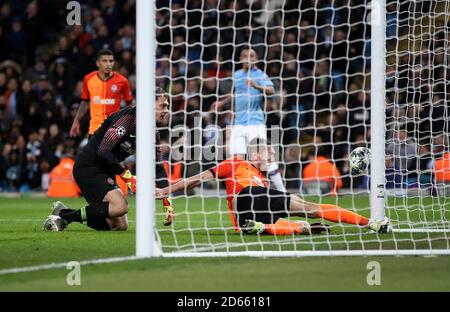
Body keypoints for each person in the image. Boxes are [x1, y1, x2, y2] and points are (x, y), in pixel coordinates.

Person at [155, 138, 390, 235]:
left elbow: (276, 214)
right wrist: (165, 190)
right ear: (256, 152)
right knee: (307, 206)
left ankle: (261, 228)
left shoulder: (261, 178)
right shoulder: (236, 162)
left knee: (303, 215)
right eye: (269, 151)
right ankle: (371, 223)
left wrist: (300, 228)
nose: (272, 155)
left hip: (248, 215)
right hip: (244, 199)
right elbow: (197, 178)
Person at [43, 88, 175, 231]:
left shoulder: (152, 133)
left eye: (167, 106)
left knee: (119, 226)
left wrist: (166, 199)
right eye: (163, 106)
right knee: (120, 207)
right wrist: (127, 176)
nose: (166, 110)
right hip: (89, 166)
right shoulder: (128, 118)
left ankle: (64, 213)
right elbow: (104, 150)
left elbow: (158, 167)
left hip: (107, 170)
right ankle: (65, 218)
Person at [210, 47, 286, 192]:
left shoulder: (260, 74)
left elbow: (271, 90)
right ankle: (242, 191)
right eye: (245, 56)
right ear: (240, 58)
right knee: (235, 159)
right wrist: (221, 102)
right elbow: (235, 93)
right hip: (238, 123)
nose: (248, 58)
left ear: (256, 59)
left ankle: (282, 191)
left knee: (264, 158)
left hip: (255, 123)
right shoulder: (237, 74)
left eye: (251, 56)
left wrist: (256, 85)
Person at [69, 48, 134, 196]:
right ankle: (105, 197)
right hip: (95, 132)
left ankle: (119, 197)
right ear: (97, 62)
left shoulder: (122, 81)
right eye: (105, 61)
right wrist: (76, 122)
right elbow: (85, 102)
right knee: (97, 166)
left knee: (114, 164)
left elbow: (131, 105)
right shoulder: (88, 79)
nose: (108, 64)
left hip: (115, 132)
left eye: (111, 61)